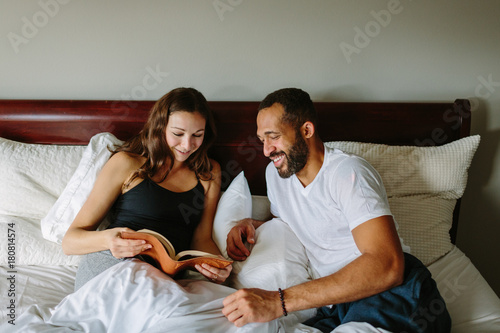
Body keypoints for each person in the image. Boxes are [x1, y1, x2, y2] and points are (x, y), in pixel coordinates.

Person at [222, 88, 451, 332]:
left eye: (273, 136)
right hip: (334, 305)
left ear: (306, 130)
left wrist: (278, 301)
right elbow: (287, 218)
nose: (266, 150)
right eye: (262, 139)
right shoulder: (277, 175)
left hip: (392, 293)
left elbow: (388, 265)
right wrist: (251, 224)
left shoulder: (348, 173)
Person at [62, 87, 232, 290]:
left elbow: (201, 238)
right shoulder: (126, 163)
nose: (187, 144)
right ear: (160, 127)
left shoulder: (208, 172)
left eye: (198, 135)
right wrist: (109, 240)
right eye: (178, 133)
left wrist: (217, 265)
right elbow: (70, 242)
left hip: (160, 280)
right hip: (112, 266)